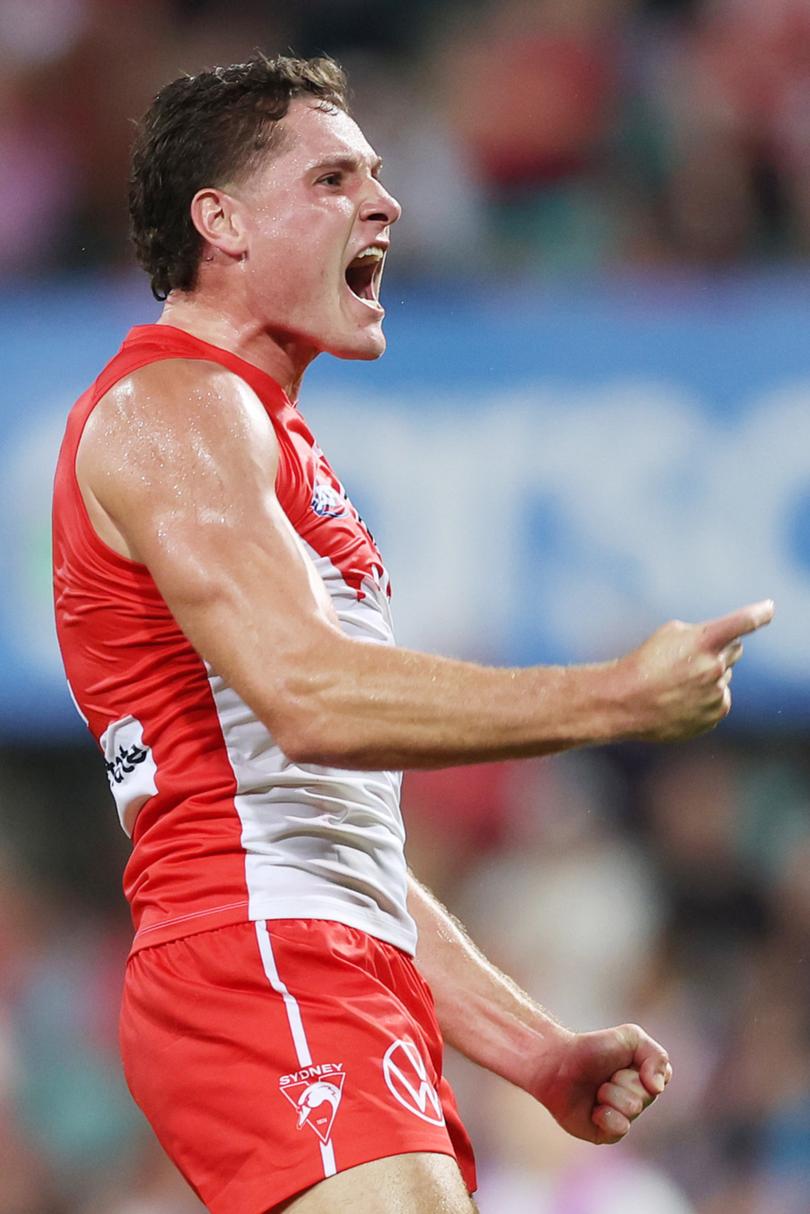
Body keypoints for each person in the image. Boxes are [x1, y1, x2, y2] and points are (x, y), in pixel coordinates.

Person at [51, 54, 773, 1214]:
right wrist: (615, 699)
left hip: (331, 959)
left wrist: (533, 1048)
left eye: (379, 177)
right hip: (254, 959)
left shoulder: (268, 443)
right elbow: (311, 698)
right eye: (334, 177)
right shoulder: (174, 409)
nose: (384, 204)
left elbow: (341, 841)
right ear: (220, 222)